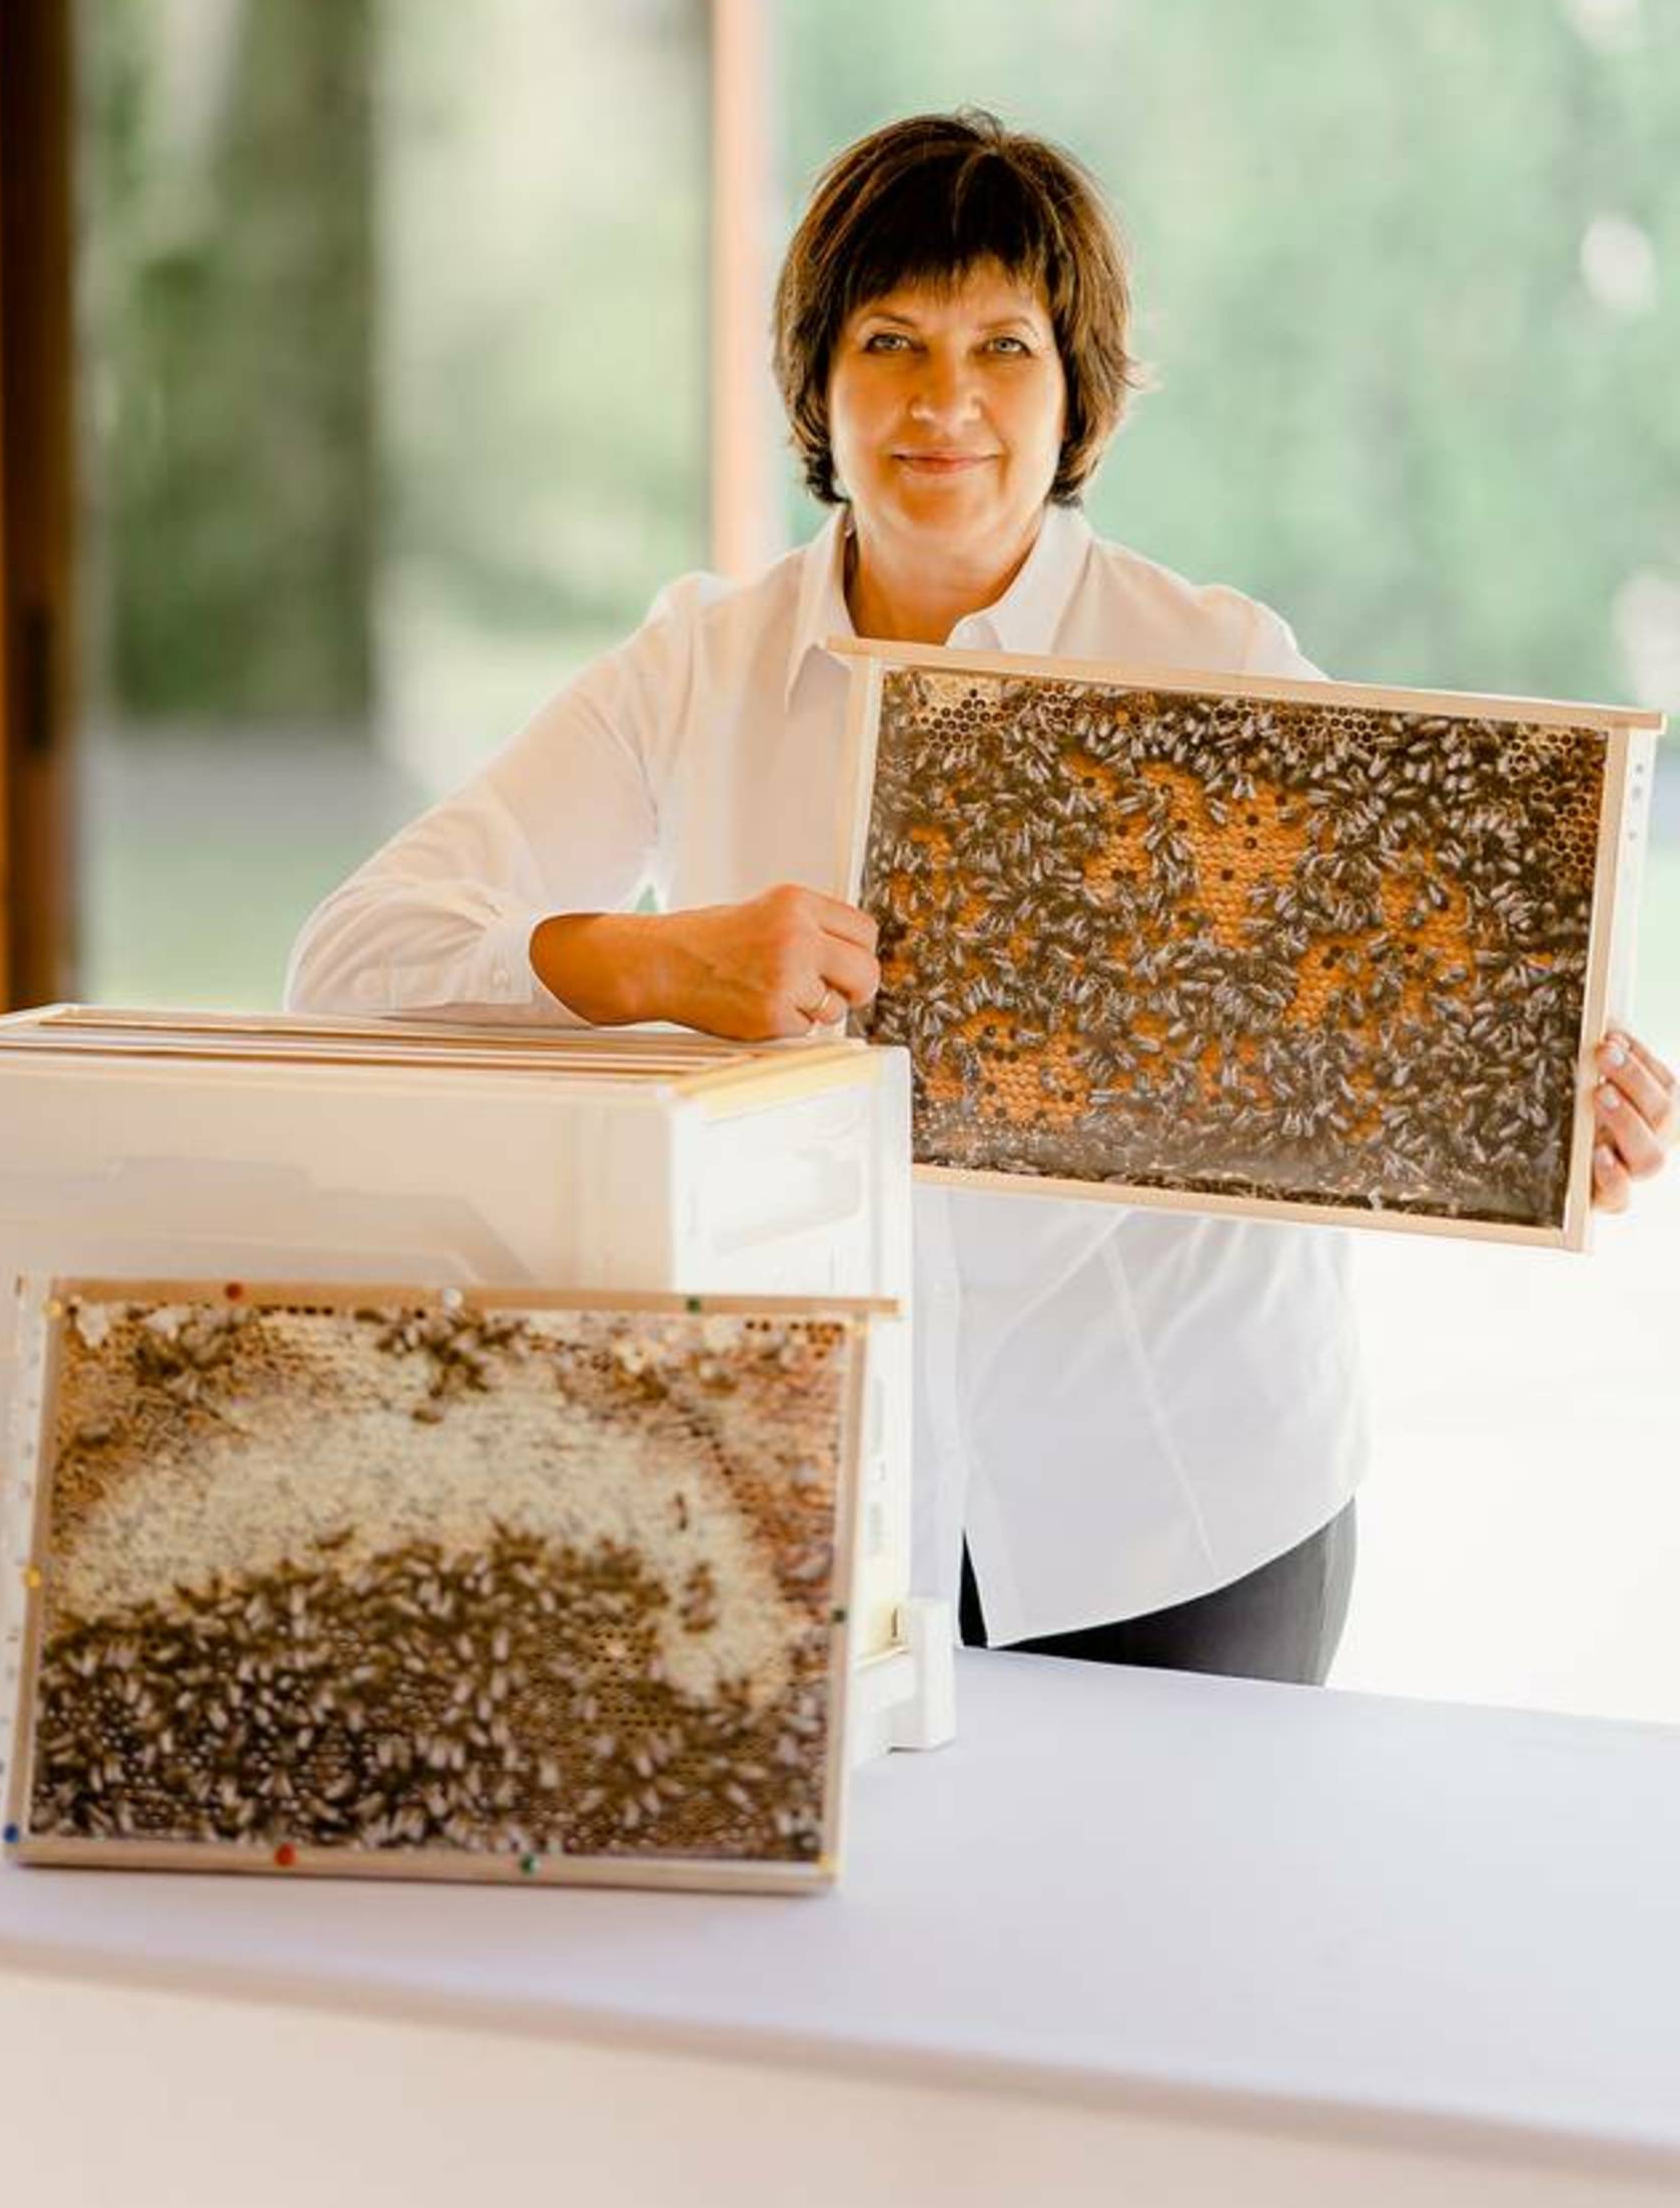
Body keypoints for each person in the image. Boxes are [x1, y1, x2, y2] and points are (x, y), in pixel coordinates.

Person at [286, 110, 1675, 1685]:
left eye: (1004, 347)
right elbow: (352, 963)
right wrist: (662, 963)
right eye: (891, 341)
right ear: (818, 381)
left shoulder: (1218, 664)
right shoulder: (697, 666)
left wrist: (1561, 1107)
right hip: (830, 1498)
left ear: (1077, 390)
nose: (944, 401)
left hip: (1186, 1496)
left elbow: (1397, 1002)